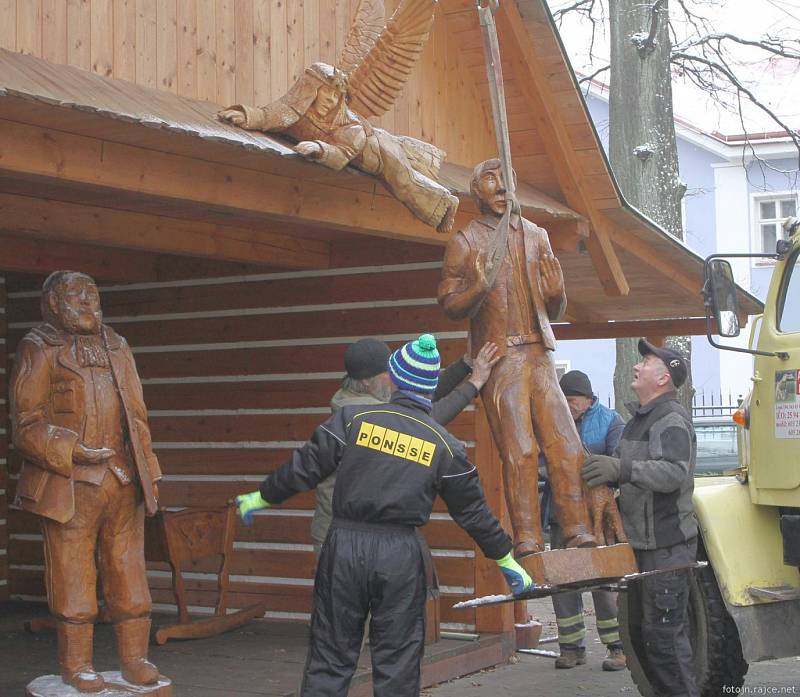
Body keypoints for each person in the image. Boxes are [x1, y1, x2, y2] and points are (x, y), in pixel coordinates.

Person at [236, 334, 532, 697]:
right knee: (398, 663)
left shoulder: (350, 421)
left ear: (391, 379)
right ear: (428, 389)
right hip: (400, 555)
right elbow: (472, 512)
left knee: (330, 656)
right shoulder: (444, 446)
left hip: (343, 545)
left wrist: (260, 497)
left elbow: (302, 469)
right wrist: (506, 558)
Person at [439, 158, 602, 557]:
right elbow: (450, 304)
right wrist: (477, 287)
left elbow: (555, 309)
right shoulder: (466, 241)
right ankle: (528, 536)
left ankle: (577, 529)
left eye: (505, 179)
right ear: (477, 191)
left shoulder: (537, 235)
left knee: (565, 444)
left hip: (540, 354)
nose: (499, 188)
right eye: (490, 180)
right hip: (501, 357)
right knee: (520, 449)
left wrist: (557, 294)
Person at [9, 271, 161, 692]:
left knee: (129, 572)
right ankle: (77, 665)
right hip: (69, 483)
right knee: (73, 575)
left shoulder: (118, 345)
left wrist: (148, 467)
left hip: (123, 479)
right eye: (77, 296)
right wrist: (73, 449)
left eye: (93, 295)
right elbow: (24, 425)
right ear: (54, 304)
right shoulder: (39, 348)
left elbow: (138, 414)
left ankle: (135, 659)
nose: (89, 303)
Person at [311, 337, 501, 558]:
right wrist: (474, 383)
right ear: (366, 380)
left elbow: (419, 398)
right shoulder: (361, 411)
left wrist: (465, 365)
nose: (394, 379)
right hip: (339, 537)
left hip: (362, 534)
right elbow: (425, 420)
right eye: (389, 373)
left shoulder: (372, 398)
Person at [582, 340, 698, 697]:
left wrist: (622, 468)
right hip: (642, 548)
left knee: (664, 640)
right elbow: (626, 473)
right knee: (642, 638)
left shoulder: (671, 420)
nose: (637, 365)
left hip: (667, 548)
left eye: (646, 361)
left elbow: (674, 473)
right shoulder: (637, 422)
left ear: (663, 378)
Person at [544, 370, 626, 671]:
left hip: (597, 518)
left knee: (605, 584)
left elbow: (619, 461)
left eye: (574, 399)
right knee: (562, 583)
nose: (569, 404)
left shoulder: (611, 420)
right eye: (564, 399)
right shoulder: (551, 420)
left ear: (589, 400)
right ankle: (571, 648)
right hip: (560, 516)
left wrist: (582, 465)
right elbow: (543, 462)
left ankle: (618, 647)